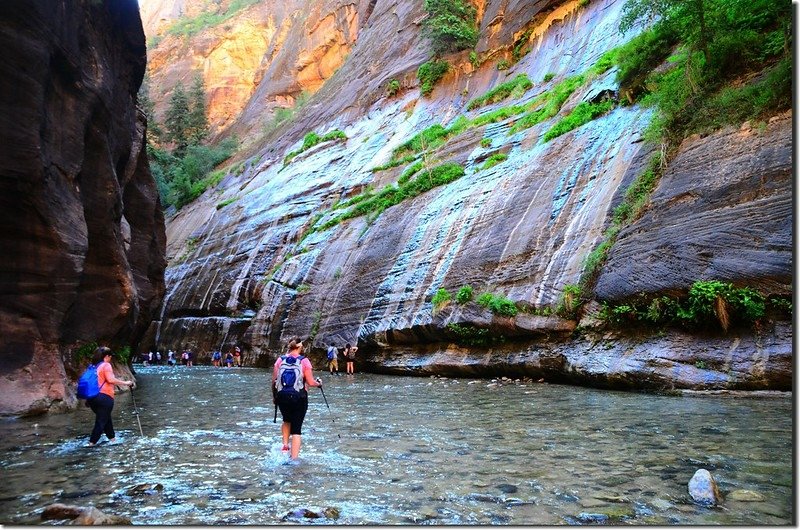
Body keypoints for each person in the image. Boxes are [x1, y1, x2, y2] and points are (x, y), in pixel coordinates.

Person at [272, 337, 322, 462]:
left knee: (286, 419)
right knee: (297, 428)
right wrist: (319, 383)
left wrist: (275, 397)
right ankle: (294, 460)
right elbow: (310, 382)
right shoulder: (304, 361)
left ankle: (285, 446)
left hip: (282, 396)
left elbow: (274, 381)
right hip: (299, 397)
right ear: (300, 347)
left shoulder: (280, 360)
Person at [85, 346, 134, 447]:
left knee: (105, 418)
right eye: (110, 356)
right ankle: (91, 444)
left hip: (92, 398)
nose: (111, 358)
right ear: (106, 356)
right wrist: (126, 383)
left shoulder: (93, 366)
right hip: (104, 397)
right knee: (101, 421)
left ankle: (112, 439)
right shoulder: (106, 365)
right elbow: (111, 380)